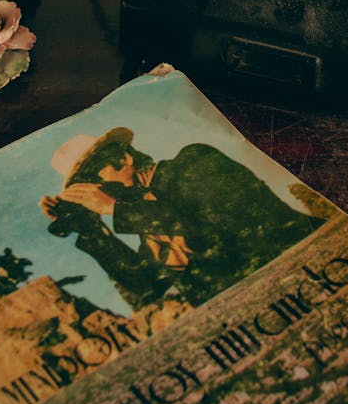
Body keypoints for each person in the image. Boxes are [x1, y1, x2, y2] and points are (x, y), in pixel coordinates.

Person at [40, 127, 322, 308]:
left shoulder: (194, 162)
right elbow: (146, 285)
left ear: (124, 158)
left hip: (303, 272)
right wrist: (90, 230)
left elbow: (209, 226)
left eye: (90, 180)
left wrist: (114, 208)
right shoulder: (149, 220)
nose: (92, 193)